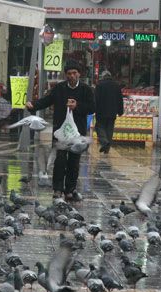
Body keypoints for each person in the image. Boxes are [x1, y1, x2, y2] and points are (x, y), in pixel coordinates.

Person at [26, 61, 95, 201]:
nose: (72, 76)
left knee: (74, 162)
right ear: (66, 75)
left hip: (77, 133)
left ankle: (70, 190)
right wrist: (33, 105)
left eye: (74, 73)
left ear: (79, 74)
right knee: (60, 161)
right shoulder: (59, 88)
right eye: (69, 74)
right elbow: (47, 100)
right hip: (60, 132)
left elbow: (92, 107)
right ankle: (57, 189)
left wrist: (77, 106)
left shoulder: (86, 90)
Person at [94, 70, 124, 154]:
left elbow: (96, 99)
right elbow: (120, 99)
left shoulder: (99, 85)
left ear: (103, 77)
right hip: (112, 112)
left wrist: (93, 109)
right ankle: (107, 149)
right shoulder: (116, 85)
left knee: (99, 127)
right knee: (109, 130)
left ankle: (104, 142)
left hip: (101, 111)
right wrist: (120, 111)